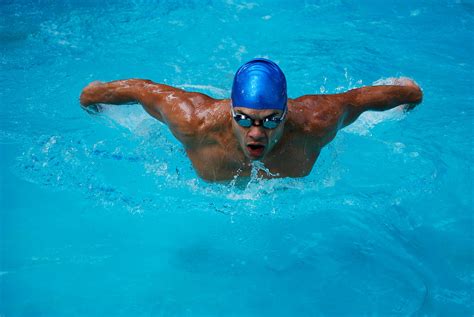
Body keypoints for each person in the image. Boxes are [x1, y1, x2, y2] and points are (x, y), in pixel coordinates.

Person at [80, 58, 422, 181]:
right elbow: (143, 90)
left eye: (271, 121)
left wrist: (409, 95)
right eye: (244, 119)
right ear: (230, 111)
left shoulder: (316, 122)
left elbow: (357, 100)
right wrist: (93, 97)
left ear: (287, 114)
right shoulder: (193, 121)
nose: (256, 132)